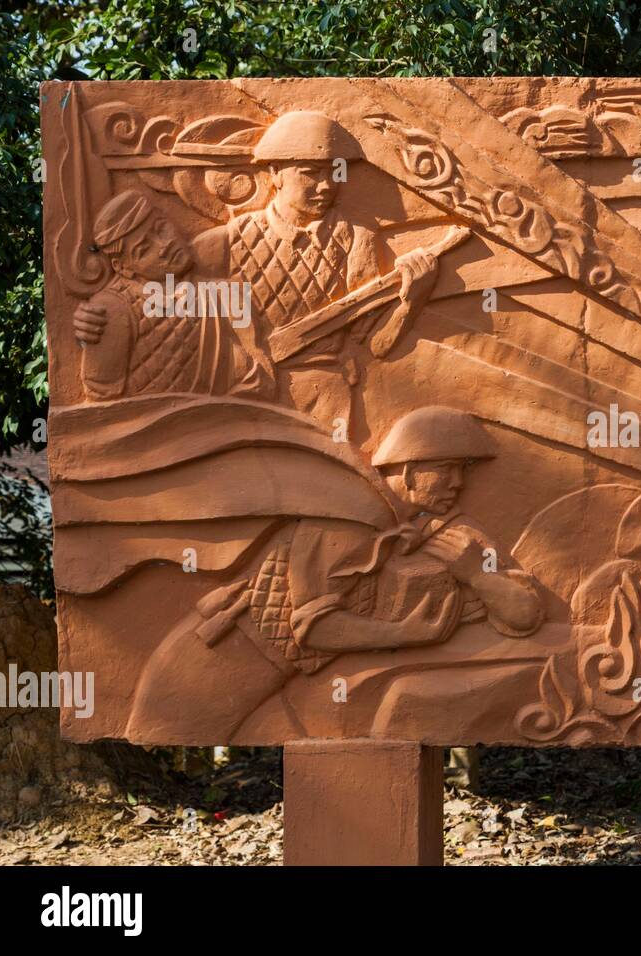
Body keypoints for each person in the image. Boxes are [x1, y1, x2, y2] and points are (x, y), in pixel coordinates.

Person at [125, 406, 542, 740]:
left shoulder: (446, 532)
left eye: (464, 470)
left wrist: (477, 576)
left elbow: (526, 615)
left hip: (294, 681)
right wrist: (408, 634)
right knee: (159, 732)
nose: (458, 482)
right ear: (408, 469)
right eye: (447, 468)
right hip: (217, 664)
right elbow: (313, 627)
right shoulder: (348, 518)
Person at [190, 111, 437, 430]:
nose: (326, 187)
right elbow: (164, 302)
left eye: (335, 174)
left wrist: (412, 300)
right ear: (275, 173)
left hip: (326, 395)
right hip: (242, 395)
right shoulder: (224, 243)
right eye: (311, 174)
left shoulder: (356, 239)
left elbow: (373, 344)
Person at [71, 189, 272, 401]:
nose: (164, 245)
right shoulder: (113, 310)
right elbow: (100, 408)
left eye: (162, 229)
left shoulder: (226, 296)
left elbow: (262, 381)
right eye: (144, 249)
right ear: (123, 268)